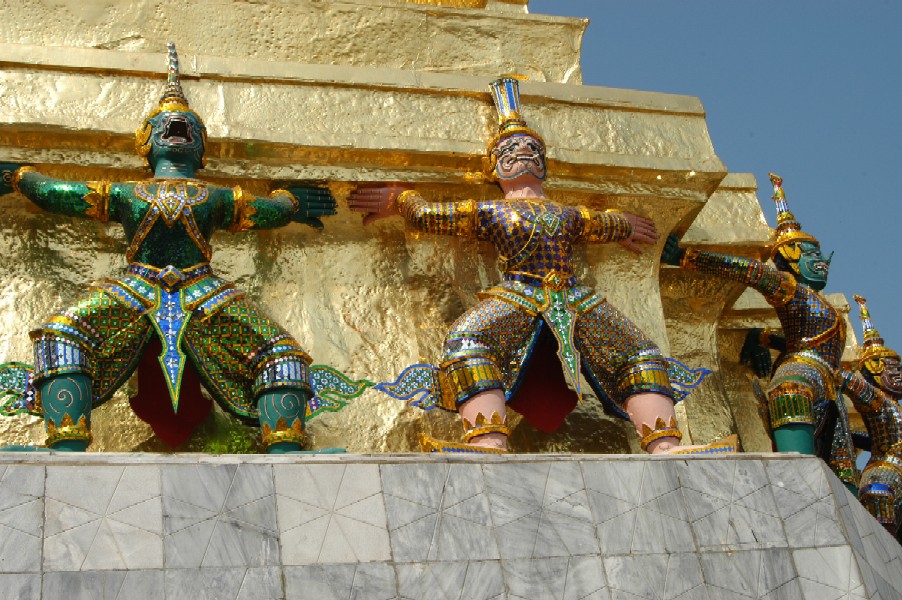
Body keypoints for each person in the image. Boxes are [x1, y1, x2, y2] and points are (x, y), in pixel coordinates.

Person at [350, 76, 729, 454]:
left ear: (544, 163)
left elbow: (597, 223)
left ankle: (664, 443)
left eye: (531, 148)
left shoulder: (568, 214)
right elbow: (430, 217)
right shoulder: (492, 212)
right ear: (494, 167)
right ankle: (488, 439)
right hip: (519, 293)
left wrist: (625, 225)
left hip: (575, 295)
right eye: (510, 150)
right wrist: (403, 200)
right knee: (467, 341)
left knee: (639, 351)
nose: (522, 152)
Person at [0, 44, 336, 453]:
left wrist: (291, 203)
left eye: (187, 125)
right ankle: (64, 443)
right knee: (62, 336)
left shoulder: (216, 196)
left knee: (281, 353)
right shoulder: (126, 193)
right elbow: (61, 194)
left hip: (202, 289)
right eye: (164, 124)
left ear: (201, 146)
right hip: (136, 287)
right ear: (146, 142)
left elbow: (263, 213)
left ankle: (286, 449)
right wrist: (22, 177)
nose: (175, 126)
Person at [662, 175, 847, 464]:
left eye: (820, 252)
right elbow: (750, 271)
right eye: (811, 253)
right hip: (802, 372)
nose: (821, 259)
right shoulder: (790, 288)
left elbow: (806, 336)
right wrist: (687, 257)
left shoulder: (822, 305)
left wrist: (763, 340)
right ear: (791, 258)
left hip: (829, 383)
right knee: (791, 395)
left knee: (841, 461)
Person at [839, 296, 902, 532]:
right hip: (885, 471)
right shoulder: (878, 401)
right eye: (893, 369)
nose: (899, 374)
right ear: (874, 372)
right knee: (878, 492)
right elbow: (848, 382)